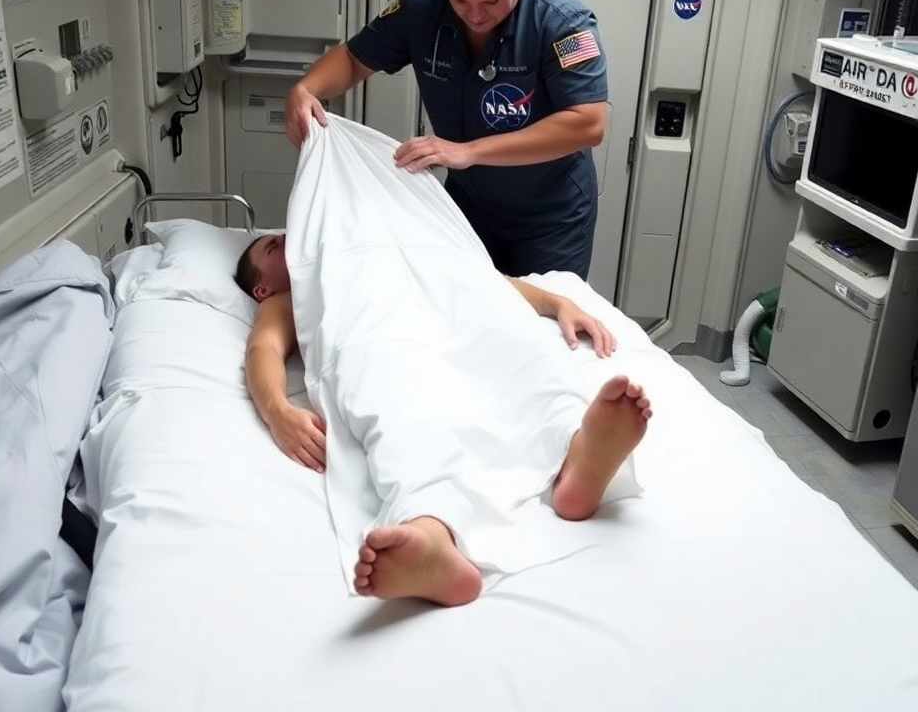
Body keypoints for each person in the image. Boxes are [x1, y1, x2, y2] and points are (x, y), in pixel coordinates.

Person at [234, 232, 652, 607]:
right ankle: (430, 529)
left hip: (452, 318)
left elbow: (477, 279)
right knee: (402, 403)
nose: (289, 238)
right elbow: (263, 348)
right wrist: (277, 410)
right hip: (377, 337)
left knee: (521, 350)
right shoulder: (291, 297)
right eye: (273, 246)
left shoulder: (374, 244)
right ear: (262, 287)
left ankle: (576, 448)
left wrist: (557, 303)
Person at [283, 0, 608, 280]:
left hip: (551, 215)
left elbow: (588, 124)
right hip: (469, 206)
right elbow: (354, 59)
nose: (475, 15)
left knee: (543, 313)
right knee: (458, 303)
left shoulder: (563, 23)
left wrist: (468, 151)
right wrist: (306, 88)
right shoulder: (423, 9)